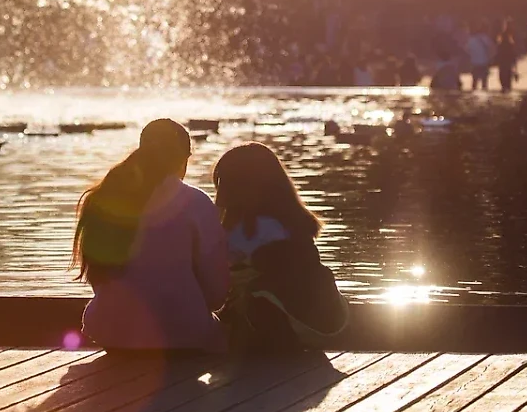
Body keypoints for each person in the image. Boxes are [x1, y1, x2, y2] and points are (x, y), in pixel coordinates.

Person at [75, 119, 229, 352]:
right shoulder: (195, 202)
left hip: (113, 333)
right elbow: (217, 292)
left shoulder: (102, 198)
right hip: (184, 336)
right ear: (182, 159)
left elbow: (99, 278)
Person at [212, 143, 348, 350]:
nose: (220, 192)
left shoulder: (254, 230)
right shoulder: (293, 222)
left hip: (281, 323)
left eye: (223, 183)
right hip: (323, 323)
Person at [465, 21, 494, 90]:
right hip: (484, 63)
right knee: (485, 84)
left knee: (474, 83)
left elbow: (467, 51)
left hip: (474, 63)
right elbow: (492, 50)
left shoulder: (471, 40)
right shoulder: (486, 39)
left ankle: (473, 97)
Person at [495, 20, 518, 92]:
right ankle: (508, 87)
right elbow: (513, 53)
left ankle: (504, 87)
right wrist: (515, 62)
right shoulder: (510, 43)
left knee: (502, 74)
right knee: (508, 74)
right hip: (508, 61)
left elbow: (498, 52)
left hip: (502, 61)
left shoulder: (501, 44)